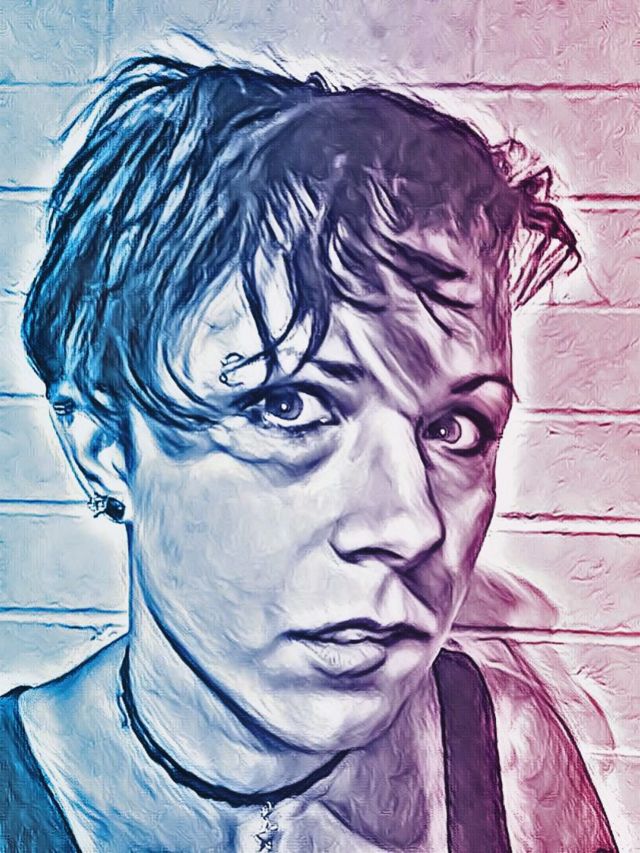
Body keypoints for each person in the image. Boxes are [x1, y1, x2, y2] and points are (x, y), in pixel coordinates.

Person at [0, 55, 617, 852]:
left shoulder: (509, 761)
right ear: (105, 446)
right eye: (287, 406)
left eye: (455, 427)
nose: (412, 524)